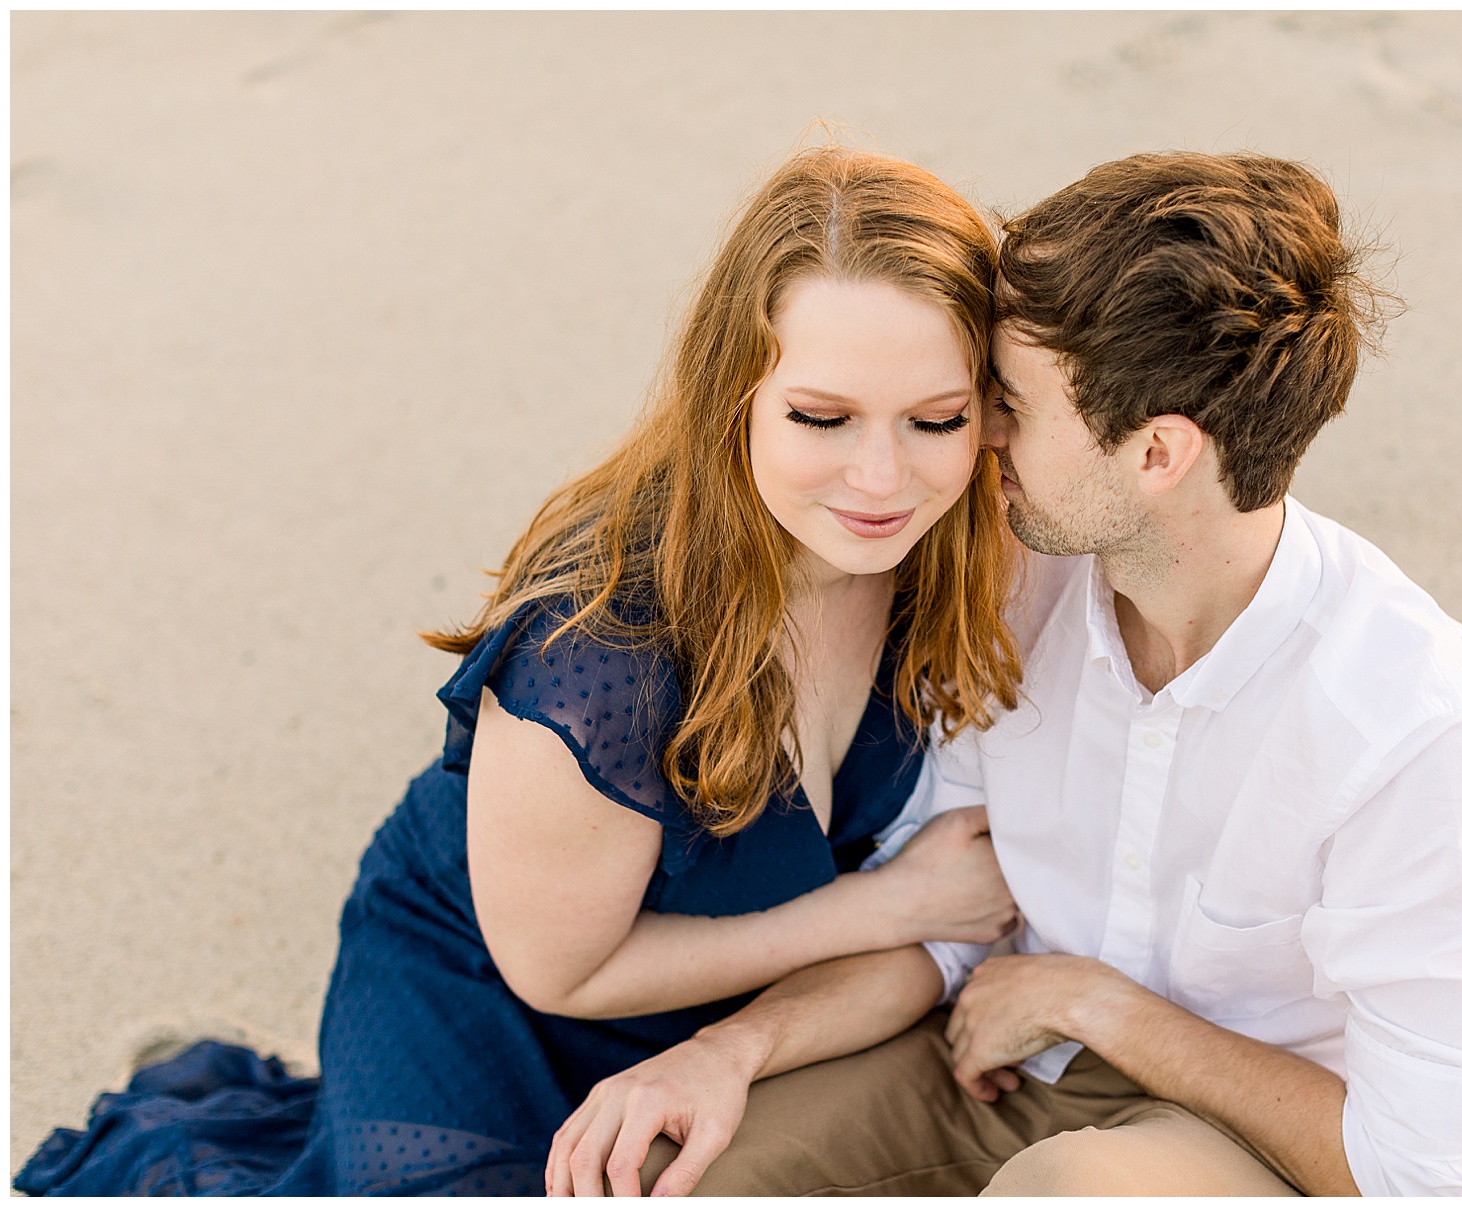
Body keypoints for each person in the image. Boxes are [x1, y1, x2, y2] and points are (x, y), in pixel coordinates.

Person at [13, 146, 1030, 1197]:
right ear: (734, 395)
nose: (882, 477)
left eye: (935, 419)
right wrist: (890, 910)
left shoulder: (957, 549)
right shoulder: (594, 647)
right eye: (822, 417)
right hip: (493, 985)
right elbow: (565, 968)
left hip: (754, 1003)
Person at [551, 151, 1462, 1197]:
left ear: (1158, 455)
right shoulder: (1015, 583)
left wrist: (1097, 1004)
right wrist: (735, 1049)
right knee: (665, 1173)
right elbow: (943, 925)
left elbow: (1406, 1164)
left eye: (1013, 405)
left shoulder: (1417, 727)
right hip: (987, 1063)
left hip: (1239, 1132)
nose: (978, 432)